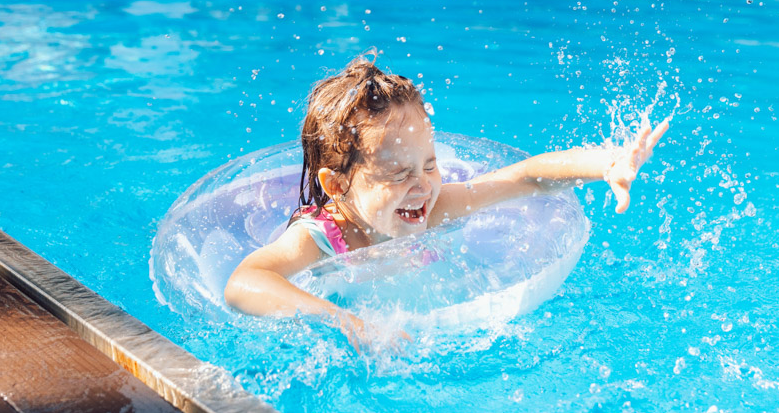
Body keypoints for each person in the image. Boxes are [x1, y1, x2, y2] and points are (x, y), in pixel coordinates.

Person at [224, 55, 669, 348]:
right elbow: (244, 283)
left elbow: (525, 178)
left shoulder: (434, 208)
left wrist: (607, 163)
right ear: (337, 185)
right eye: (399, 174)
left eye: (429, 165)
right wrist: (347, 322)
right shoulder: (322, 237)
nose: (422, 186)